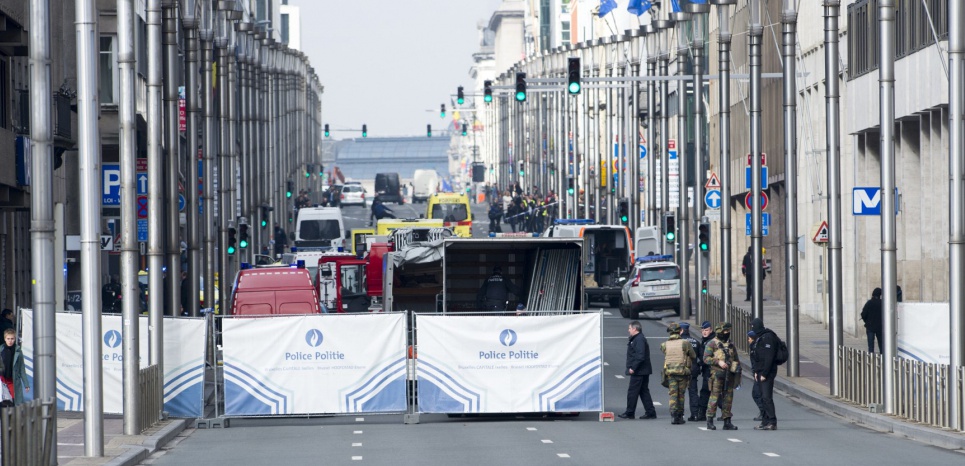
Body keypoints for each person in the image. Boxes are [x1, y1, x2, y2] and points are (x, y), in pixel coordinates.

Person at [703, 322, 740, 430]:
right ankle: (710, 420)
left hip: (729, 375)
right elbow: (706, 358)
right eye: (725, 331)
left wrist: (736, 371)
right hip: (717, 374)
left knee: (728, 399)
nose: (727, 333)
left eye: (728, 331)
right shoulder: (712, 343)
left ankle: (727, 421)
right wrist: (718, 362)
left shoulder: (731, 344)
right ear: (719, 331)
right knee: (714, 398)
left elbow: (736, 359)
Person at [619, 321, 657, 420]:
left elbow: (640, 356)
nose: (628, 330)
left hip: (639, 371)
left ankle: (630, 412)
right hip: (643, 370)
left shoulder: (639, 339)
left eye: (629, 328)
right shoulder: (638, 338)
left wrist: (633, 368)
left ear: (635, 329)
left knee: (632, 392)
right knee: (643, 391)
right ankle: (650, 412)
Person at [661, 322, 696, 425]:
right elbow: (693, 355)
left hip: (670, 373)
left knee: (673, 394)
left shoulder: (664, 344)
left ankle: (673, 415)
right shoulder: (685, 343)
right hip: (682, 372)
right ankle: (679, 416)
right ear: (680, 331)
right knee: (681, 395)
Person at [749, 318, 778, 430]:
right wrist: (756, 372)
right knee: (761, 397)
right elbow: (758, 357)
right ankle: (765, 421)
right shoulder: (759, 337)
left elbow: (769, 357)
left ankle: (772, 421)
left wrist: (764, 374)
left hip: (767, 372)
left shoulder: (767, 337)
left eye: (753, 327)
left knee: (766, 397)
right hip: (760, 371)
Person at [679, 322, 701, 422]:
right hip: (693, 370)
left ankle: (680, 414)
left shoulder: (679, 342)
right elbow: (702, 357)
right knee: (693, 392)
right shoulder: (695, 342)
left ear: (681, 330)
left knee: (680, 392)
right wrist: (697, 366)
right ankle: (695, 414)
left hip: (681, 370)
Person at [0, 329, 28, 406]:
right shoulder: (1, 350)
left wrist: (26, 384)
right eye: (8, 339)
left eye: (12, 339)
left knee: (13, 400)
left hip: (13, 380)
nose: (10, 341)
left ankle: (12, 413)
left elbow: (22, 368)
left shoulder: (18, 351)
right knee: (2, 400)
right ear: (5, 339)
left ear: (15, 339)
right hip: (2, 379)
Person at [696, 321, 714, 421]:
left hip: (710, 370)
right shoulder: (705, 340)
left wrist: (699, 364)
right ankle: (702, 413)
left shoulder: (711, 341)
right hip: (707, 370)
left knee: (707, 392)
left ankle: (702, 413)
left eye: (706, 330)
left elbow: (706, 357)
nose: (704, 332)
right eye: (703, 330)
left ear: (711, 330)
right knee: (709, 391)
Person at [748, 330, 767, 422]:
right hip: (758, 372)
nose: (748, 340)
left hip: (759, 373)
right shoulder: (754, 347)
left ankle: (764, 413)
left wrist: (756, 371)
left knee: (756, 393)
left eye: (749, 338)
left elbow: (758, 361)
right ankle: (764, 412)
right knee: (759, 393)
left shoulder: (756, 348)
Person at [860, 287, 883, 354]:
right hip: (880, 326)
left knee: (871, 346)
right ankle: (882, 357)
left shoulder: (869, 303)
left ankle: (871, 357)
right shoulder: (882, 303)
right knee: (881, 344)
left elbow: (863, 314)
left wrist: (867, 321)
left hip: (870, 326)